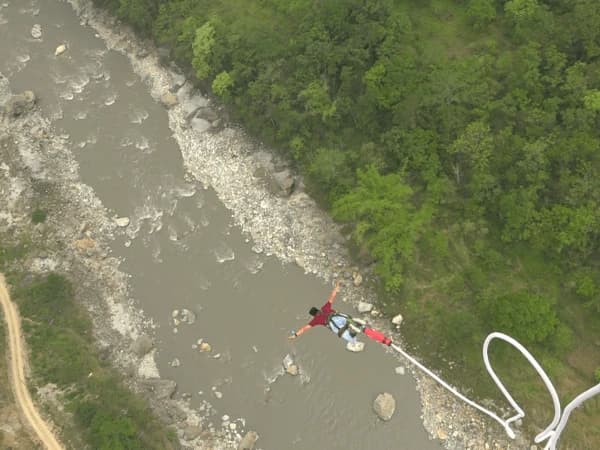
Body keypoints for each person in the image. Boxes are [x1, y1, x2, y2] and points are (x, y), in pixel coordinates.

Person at [288, 281, 393, 347]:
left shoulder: (315, 320)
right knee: (362, 328)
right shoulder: (325, 308)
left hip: (339, 329)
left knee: (350, 338)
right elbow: (332, 297)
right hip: (344, 319)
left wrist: (295, 335)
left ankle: (354, 341)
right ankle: (378, 337)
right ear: (317, 309)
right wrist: (337, 287)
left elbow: (304, 328)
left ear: (314, 315)